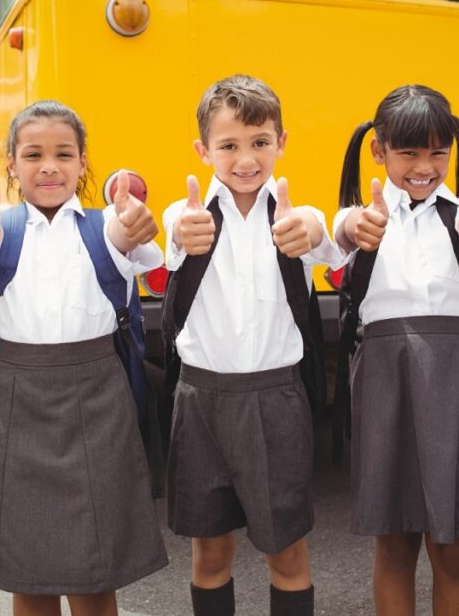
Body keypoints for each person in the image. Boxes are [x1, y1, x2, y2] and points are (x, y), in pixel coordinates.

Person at [0, 99, 168, 616]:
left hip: (98, 401)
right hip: (17, 403)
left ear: (83, 161)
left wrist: (135, 222)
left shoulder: (104, 225)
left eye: (63, 154)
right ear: (11, 163)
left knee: (96, 576)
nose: (49, 165)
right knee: (29, 578)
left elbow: (125, 234)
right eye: (33, 154)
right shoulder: (0, 226)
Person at [163, 74, 341, 616]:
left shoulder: (294, 217)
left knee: (285, 551)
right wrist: (183, 232)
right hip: (201, 402)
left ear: (281, 143)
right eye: (229, 145)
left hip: (275, 399)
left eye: (260, 142)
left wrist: (306, 229)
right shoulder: (186, 215)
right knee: (210, 549)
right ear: (204, 151)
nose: (246, 158)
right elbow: (175, 230)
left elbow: (318, 234)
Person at [332, 84, 459, 616]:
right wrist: (351, 223)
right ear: (378, 150)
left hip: (458, 378)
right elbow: (336, 230)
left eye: (438, 152)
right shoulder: (362, 219)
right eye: (408, 152)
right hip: (385, 378)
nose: (424, 166)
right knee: (394, 542)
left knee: (454, 547)